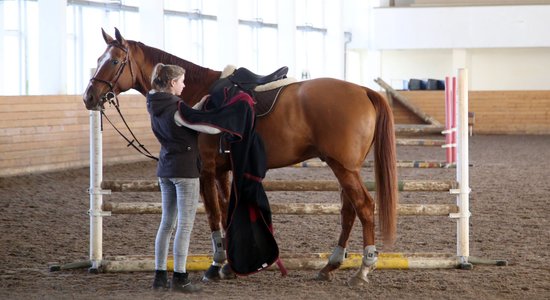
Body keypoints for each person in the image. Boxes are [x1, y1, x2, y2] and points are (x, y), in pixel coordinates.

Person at [146, 63, 219, 293]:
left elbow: (184, 118)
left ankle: (159, 276)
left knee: (166, 224)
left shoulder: (155, 104)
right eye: (181, 81)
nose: (184, 85)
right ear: (171, 83)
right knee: (184, 226)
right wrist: (224, 121)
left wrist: (197, 106)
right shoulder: (177, 108)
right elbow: (205, 128)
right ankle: (180, 277)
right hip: (185, 171)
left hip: (165, 169)